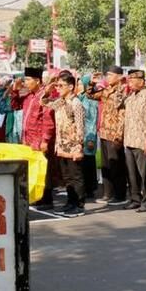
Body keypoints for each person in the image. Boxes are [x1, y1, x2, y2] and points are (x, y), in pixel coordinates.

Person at [45, 71, 88, 216]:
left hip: (73, 145)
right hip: (62, 145)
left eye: (61, 85)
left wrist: (79, 146)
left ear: (70, 87)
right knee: (67, 177)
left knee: (76, 176)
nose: (58, 88)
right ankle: (71, 202)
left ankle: (79, 204)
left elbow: (81, 126)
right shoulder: (61, 101)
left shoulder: (76, 103)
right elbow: (45, 104)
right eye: (57, 85)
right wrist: (47, 91)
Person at [18, 66, 57, 209]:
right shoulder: (29, 97)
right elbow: (13, 104)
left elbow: (48, 120)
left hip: (40, 140)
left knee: (44, 170)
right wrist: (15, 90)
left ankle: (47, 199)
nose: (26, 83)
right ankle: (37, 197)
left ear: (37, 80)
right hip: (28, 139)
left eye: (28, 80)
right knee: (34, 169)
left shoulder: (44, 96)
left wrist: (45, 140)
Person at [91, 66, 129, 206]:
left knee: (117, 164)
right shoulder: (106, 90)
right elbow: (90, 95)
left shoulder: (123, 90)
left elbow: (122, 113)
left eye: (111, 75)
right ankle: (108, 193)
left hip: (115, 133)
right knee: (106, 165)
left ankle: (120, 195)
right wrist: (93, 83)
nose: (107, 77)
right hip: (104, 131)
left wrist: (119, 135)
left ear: (119, 76)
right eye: (107, 75)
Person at [123, 69, 146, 212]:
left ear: (141, 81)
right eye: (129, 80)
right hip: (129, 140)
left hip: (142, 140)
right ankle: (135, 198)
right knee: (132, 174)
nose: (130, 83)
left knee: (145, 174)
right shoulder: (130, 97)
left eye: (133, 80)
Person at [76, 76, 101, 200]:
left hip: (88, 135)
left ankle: (90, 189)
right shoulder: (81, 98)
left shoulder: (91, 100)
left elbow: (92, 120)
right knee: (82, 162)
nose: (79, 87)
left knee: (88, 163)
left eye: (81, 84)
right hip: (81, 134)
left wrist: (90, 138)